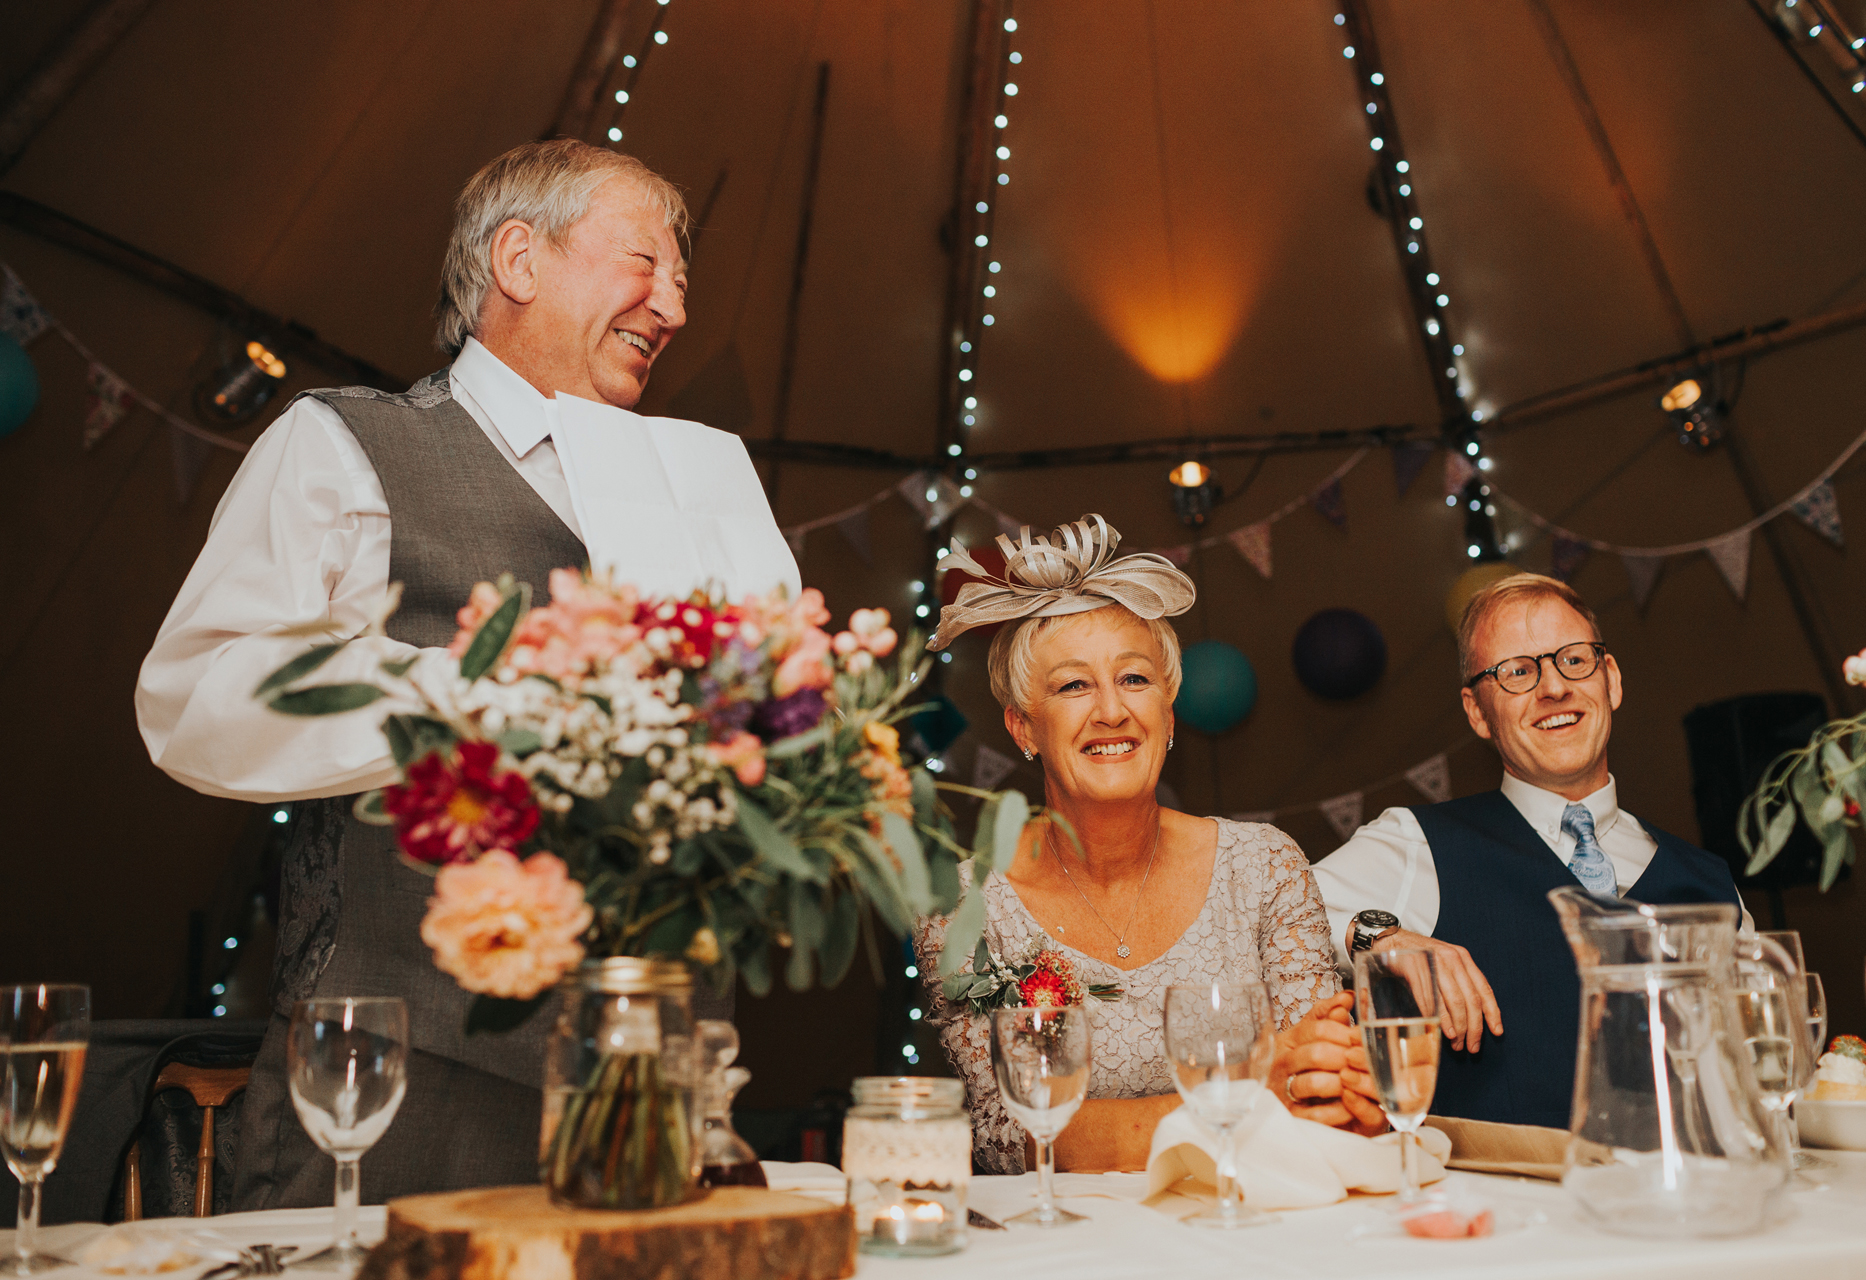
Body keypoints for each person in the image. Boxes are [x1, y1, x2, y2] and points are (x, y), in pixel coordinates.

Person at [136, 140, 797, 1208]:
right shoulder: (348, 443)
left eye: (684, 281)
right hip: (402, 1083)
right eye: (645, 262)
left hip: (657, 1088)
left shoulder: (703, 495)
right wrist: (486, 694)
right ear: (519, 259)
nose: (671, 306)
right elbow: (199, 698)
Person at [915, 517, 1386, 1174]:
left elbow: (1320, 1089)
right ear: (1024, 726)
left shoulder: (1264, 868)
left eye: (1135, 679)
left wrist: (1349, 1085)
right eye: (1074, 685)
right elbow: (1016, 1137)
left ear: (1169, 713)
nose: (1112, 710)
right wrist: (1250, 1093)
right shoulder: (966, 905)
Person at [1310, 571, 1746, 1129]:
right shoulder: (1417, 841)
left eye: (1573, 659)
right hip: (1501, 1209)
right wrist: (1381, 937)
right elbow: (1267, 913)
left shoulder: (1711, 881)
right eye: (1517, 672)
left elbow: (1755, 1065)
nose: (1554, 688)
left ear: (1609, 679)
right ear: (1477, 711)